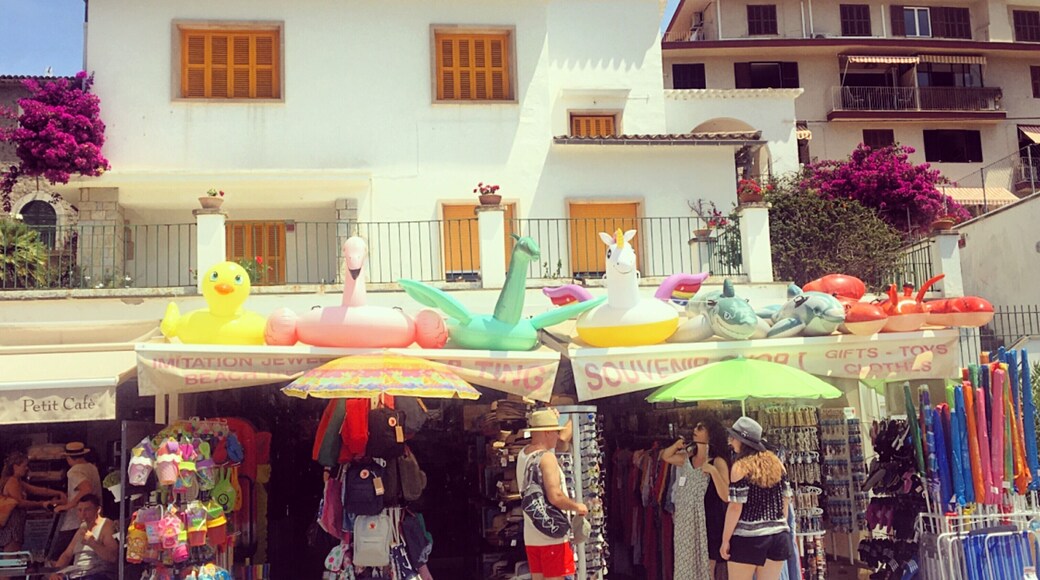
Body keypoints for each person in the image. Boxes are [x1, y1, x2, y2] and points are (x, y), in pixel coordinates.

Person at [516, 408, 588, 580]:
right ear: (547, 432)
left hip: (533, 535)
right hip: (553, 536)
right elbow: (555, 496)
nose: (558, 436)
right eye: (556, 431)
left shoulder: (523, 454)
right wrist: (577, 506)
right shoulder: (547, 458)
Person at [720, 417, 792, 580]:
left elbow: (735, 507)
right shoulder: (777, 464)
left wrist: (725, 540)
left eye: (733, 438)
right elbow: (785, 500)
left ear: (742, 441)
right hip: (778, 537)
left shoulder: (740, 467)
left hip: (749, 538)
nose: (730, 442)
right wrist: (778, 524)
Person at [661, 414, 731, 579]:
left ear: (710, 434)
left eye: (700, 428)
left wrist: (713, 471)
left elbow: (726, 495)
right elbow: (666, 456)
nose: (695, 430)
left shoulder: (718, 461)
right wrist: (676, 445)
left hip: (709, 522)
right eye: (695, 427)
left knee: (708, 569)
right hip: (686, 525)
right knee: (686, 566)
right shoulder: (687, 458)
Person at [0, 451, 66, 552]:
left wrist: (57, 493)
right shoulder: (12, 482)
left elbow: (37, 490)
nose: (26, 468)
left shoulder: (18, 481)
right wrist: (42, 504)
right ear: (15, 466)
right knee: (11, 557)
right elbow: (20, 503)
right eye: (24, 466)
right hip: (12, 527)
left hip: (16, 525)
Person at [50, 443, 102, 561]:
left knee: (58, 556)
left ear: (69, 458)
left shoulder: (74, 471)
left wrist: (69, 505)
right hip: (93, 517)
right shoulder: (92, 468)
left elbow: (86, 488)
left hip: (75, 521)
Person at [47, 494, 117, 580]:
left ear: (98, 510)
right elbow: (67, 554)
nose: (83, 514)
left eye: (87, 510)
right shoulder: (82, 528)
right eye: (79, 510)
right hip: (76, 574)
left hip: (97, 574)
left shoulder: (106, 526)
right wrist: (56, 572)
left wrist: (92, 543)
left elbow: (113, 557)